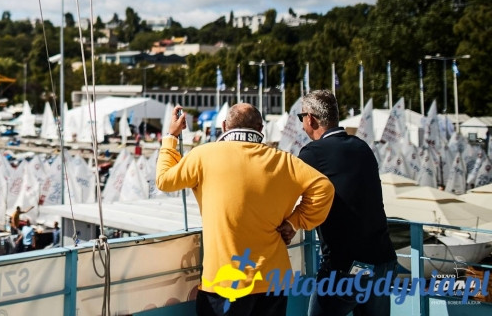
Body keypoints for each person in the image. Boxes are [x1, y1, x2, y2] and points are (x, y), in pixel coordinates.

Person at [156, 103, 334, 316]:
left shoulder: (203, 155)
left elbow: (163, 180)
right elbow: (324, 187)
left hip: (224, 282)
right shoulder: (283, 160)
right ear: (261, 130)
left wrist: (171, 137)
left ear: (224, 126)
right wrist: (295, 221)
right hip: (273, 282)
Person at [292, 90, 397, 316]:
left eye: (301, 118)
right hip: (382, 261)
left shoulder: (313, 153)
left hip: (345, 266)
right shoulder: (362, 147)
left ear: (310, 119)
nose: (302, 125)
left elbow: (287, 196)